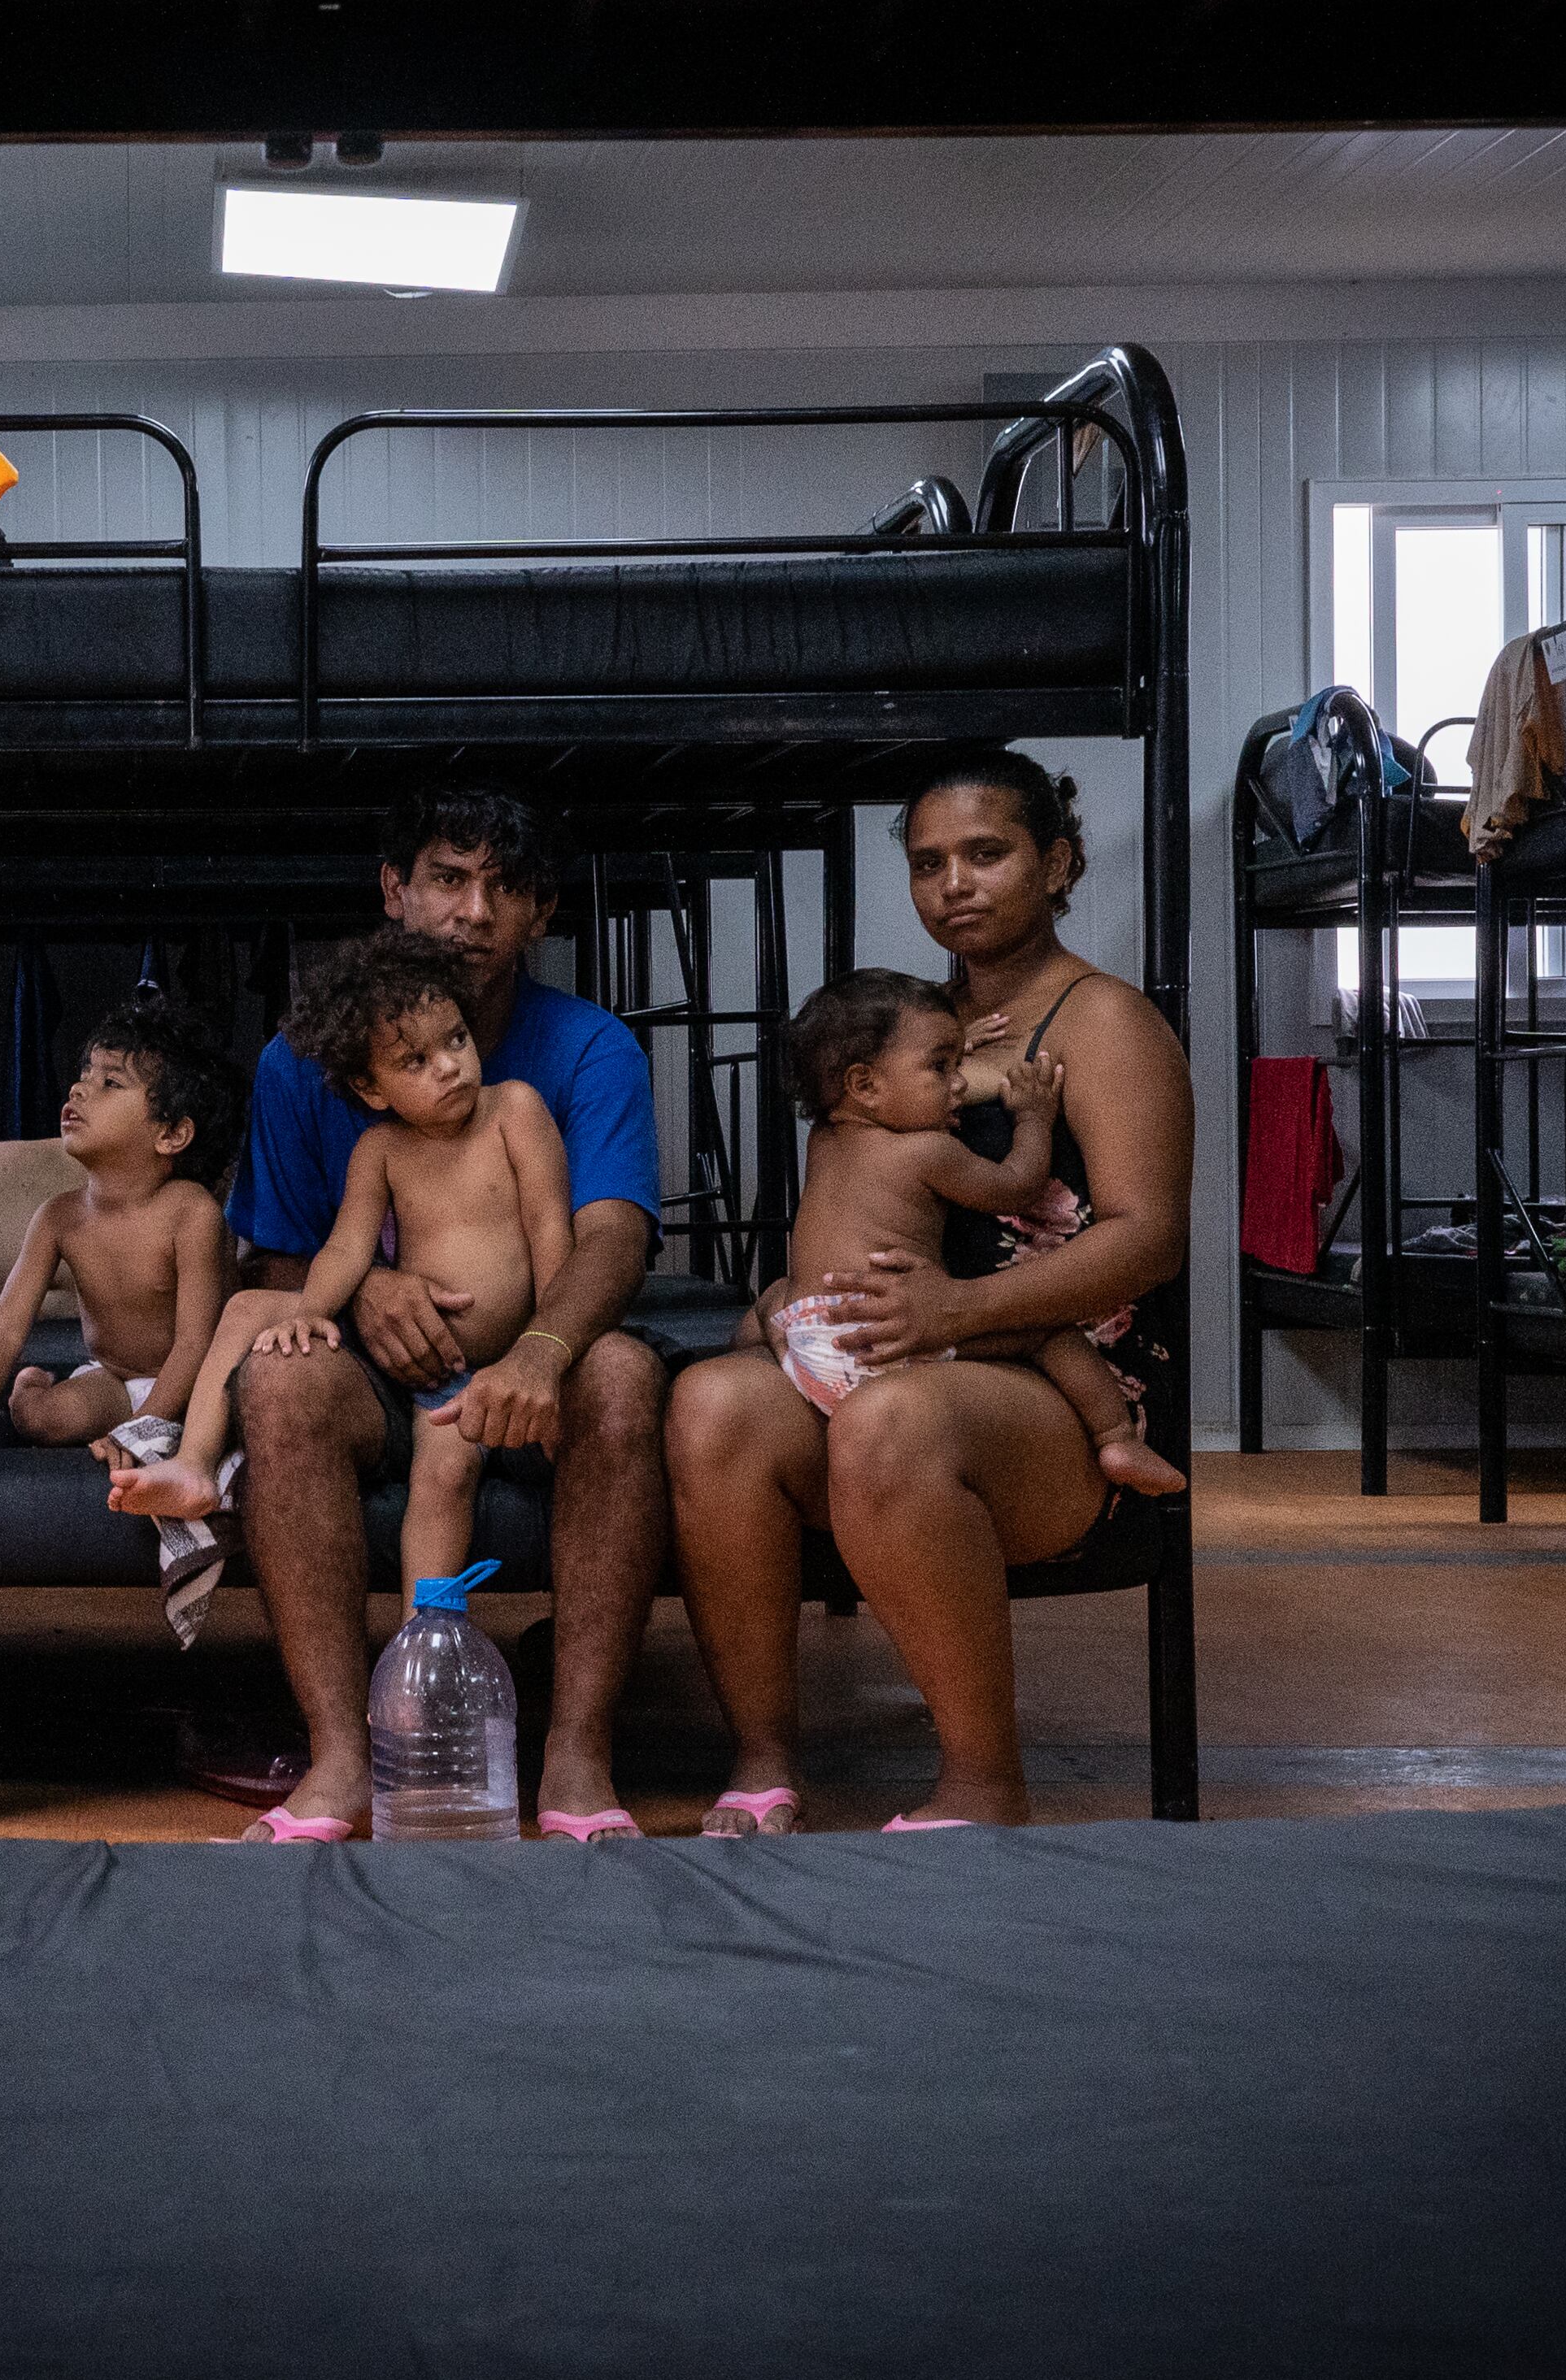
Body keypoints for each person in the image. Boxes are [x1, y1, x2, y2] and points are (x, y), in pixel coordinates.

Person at [667, 746, 1190, 1835]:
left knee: (891, 1419)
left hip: (1051, 1395)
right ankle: (763, 1762)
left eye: (987, 853)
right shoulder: (900, 1028)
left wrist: (959, 1309)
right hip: (900, 1357)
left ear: (1058, 864)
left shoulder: (1103, 1023)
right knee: (713, 1400)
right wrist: (788, 1299)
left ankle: (983, 1786)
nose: (953, 882)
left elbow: (1151, 1241)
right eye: (928, 861)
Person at [220, 788, 670, 1845]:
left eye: (506, 887)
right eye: (448, 878)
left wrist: (547, 1348)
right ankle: (342, 1759)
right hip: (390, 1371)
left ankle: (576, 1753)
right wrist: (366, 1287)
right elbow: (281, 1248)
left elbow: (614, 1236)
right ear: (395, 892)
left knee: (625, 1376)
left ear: (542, 913)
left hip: (542, 1343)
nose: (475, 910)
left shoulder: (589, 1048)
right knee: (281, 1380)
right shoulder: (303, 1061)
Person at [135, 932, 572, 1609]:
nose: (449, 1067)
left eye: (456, 1040)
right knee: (437, 1476)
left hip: (512, 1358)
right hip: (438, 1380)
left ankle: (430, 1641)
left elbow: (551, 1227)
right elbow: (345, 1250)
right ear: (371, 1086)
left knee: (448, 1477)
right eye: (416, 1060)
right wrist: (310, 1309)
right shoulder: (381, 1149)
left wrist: (547, 1350)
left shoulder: (514, 1110)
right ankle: (196, 1466)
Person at [762, 968, 1181, 1498]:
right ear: (865, 1085)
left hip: (812, 1342)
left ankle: (764, 1340)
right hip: (889, 1351)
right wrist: (1032, 1118)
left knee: (776, 1293)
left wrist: (946, 1052)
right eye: (942, 1067)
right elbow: (1016, 1185)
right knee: (1050, 1334)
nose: (960, 1083)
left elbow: (892, 1080)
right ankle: (1117, 1436)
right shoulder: (927, 1152)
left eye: (959, 1062)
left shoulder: (824, 1139)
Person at [0, 993, 243, 1461]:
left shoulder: (192, 1212)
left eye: (110, 1083)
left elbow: (195, 1342)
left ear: (170, 1135)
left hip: (194, 1384)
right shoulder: (58, 1216)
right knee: (41, 1419)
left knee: (226, 1420)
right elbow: (4, 1325)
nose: (79, 1090)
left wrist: (140, 1430)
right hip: (111, 1379)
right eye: (84, 1076)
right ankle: (32, 1384)